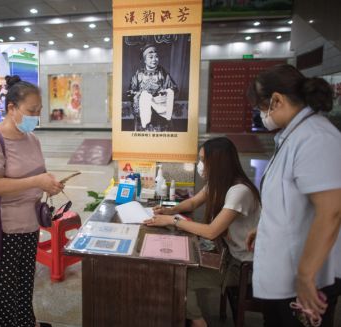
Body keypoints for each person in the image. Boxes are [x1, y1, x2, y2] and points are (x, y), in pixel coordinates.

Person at [245, 64, 341, 327]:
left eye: (260, 108)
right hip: (283, 275)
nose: (260, 114)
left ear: (276, 100)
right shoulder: (294, 135)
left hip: (303, 281)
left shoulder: (316, 138)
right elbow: (292, 201)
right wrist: (263, 228)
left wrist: (306, 275)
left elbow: (331, 211)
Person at [0, 75, 64, 327]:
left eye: (39, 111)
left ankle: (25, 321)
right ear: (11, 108)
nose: (36, 116)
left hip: (29, 223)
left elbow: (35, 176)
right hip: (2, 227)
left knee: (24, 282)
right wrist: (37, 182)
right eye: (31, 111)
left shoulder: (31, 139)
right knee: (3, 288)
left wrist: (49, 185)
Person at [145, 137, 261, 327]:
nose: (199, 165)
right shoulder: (220, 183)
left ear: (217, 163)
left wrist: (173, 221)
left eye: (202, 160)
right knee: (177, 267)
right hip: (228, 255)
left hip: (241, 266)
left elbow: (211, 232)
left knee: (180, 277)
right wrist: (170, 210)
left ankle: (198, 322)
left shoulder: (239, 191)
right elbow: (192, 202)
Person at [127, 44, 178, 131]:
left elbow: (174, 89)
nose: (154, 59)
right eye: (151, 57)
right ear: (144, 60)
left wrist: (166, 92)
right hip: (143, 112)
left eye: (156, 56)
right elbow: (130, 92)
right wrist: (141, 95)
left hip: (161, 114)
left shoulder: (163, 73)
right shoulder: (138, 74)